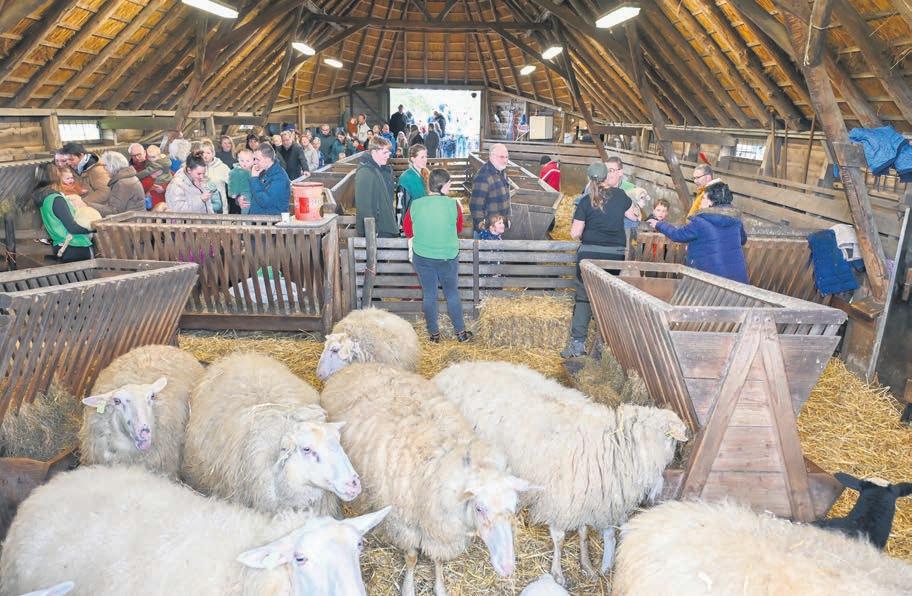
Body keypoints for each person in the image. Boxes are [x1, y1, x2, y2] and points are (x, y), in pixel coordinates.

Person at [561, 161, 638, 358]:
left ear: (589, 179)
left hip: (589, 257)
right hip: (614, 256)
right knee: (606, 297)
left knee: (583, 297)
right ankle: (606, 345)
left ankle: (578, 344)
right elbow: (635, 216)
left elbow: (575, 233)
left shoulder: (585, 201)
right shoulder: (621, 195)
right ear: (607, 176)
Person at [402, 168, 471, 343]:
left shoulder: (416, 204)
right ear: (444, 185)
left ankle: (434, 335)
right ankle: (461, 333)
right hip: (448, 256)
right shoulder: (453, 205)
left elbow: (408, 230)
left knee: (429, 295)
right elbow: (458, 228)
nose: (450, 187)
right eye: (449, 184)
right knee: (452, 293)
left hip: (423, 256)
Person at [651, 181, 748, 283]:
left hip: (710, 280)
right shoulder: (735, 221)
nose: (701, 202)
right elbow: (743, 240)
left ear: (711, 202)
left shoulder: (700, 222)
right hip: (738, 281)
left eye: (703, 198)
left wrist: (659, 224)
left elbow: (678, 235)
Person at [33, 164, 94, 262]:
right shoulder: (56, 199)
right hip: (75, 246)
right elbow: (73, 227)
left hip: (61, 246)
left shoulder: (44, 200)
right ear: (55, 177)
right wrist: (92, 229)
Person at [354, 136, 397, 238]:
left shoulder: (381, 169)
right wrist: (372, 231)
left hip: (385, 224)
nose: (388, 155)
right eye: (385, 152)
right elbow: (365, 206)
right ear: (374, 152)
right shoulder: (366, 172)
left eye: (388, 152)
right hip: (377, 229)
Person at [469, 143, 511, 238]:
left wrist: (506, 221)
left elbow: (506, 198)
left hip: (498, 229)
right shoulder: (483, 176)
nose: (505, 160)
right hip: (487, 232)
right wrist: (484, 228)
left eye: (507, 157)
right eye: (501, 157)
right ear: (492, 156)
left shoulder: (501, 172)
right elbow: (475, 205)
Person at [241, 143, 291, 215]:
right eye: (254, 159)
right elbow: (253, 193)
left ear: (267, 160)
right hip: (258, 218)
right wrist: (240, 198)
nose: (254, 162)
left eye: (257, 159)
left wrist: (254, 179)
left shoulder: (280, 178)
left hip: (270, 220)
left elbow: (265, 202)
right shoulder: (262, 171)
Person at [93, 151, 144, 216]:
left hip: (130, 220)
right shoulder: (127, 178)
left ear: (112, 166)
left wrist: (87, 205)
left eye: (105, 166)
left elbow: (114, 211)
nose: (104, 169)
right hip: (133, 218)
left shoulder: (123, 183)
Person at [398, 144, 428, 218]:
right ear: (413, 159)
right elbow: (402, 205)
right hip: (413, 218)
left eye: (426, 157)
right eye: (422, 157)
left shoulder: (426, 174)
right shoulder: (405, 177)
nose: (425, 160)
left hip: (426, 215)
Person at [200, 140, 229, 213]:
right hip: (202, 210)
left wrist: (238, 197)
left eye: (208, 153)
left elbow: (233, 183)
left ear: (213, 154)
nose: (205, 155)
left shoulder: (222, 167)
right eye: (203, 153)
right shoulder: (197, 168)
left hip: (219, 210)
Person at [229, 149, 254, 215]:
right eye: (242, 160)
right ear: (238, 160)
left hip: (256, 198)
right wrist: (235, 195)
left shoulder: (256, 170)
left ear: (253, 161)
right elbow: (232, 184)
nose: (244, 163)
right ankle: (245, 219)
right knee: (245, 205)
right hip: (244, 194)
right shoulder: (236, 172)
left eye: (247, 161)